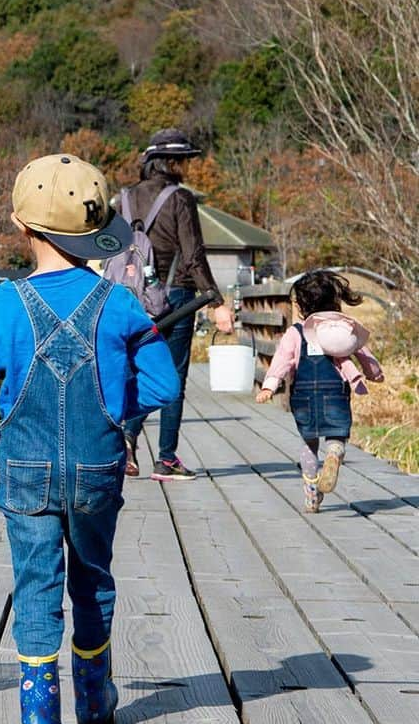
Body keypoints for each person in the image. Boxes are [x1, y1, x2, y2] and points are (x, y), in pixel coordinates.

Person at [0, 153, 180, 724]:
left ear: (21, 226)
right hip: (98, 468)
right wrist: (118, 418)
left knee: (35, 584)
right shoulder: (122, 304)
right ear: (95, 231)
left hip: (24, 473)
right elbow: (164, 386)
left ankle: (38, 718)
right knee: (93, 580)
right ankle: (95, 696)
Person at [120, 128, 234, 482]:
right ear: (171, 162)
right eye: (184, 160)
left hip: (131, 298)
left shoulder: (123, 198)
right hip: (175, 299)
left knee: (137, 371)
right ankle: (166, 459)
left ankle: (127, 436)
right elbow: (193, 254)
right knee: (173, 377)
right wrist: (216, 302)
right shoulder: (180, 198)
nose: (187, 166)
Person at [255, 270, 383, 512]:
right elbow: (363, 352)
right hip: (335, 391)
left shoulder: (295, 332)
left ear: (301, 305)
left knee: (309, 442)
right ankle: (334, 452)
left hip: (303, 394)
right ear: (334, 302)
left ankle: (311, 493)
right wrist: (374, 373)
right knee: (336, 433)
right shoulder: (342, 330)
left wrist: (270, 385)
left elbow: (282, 360)